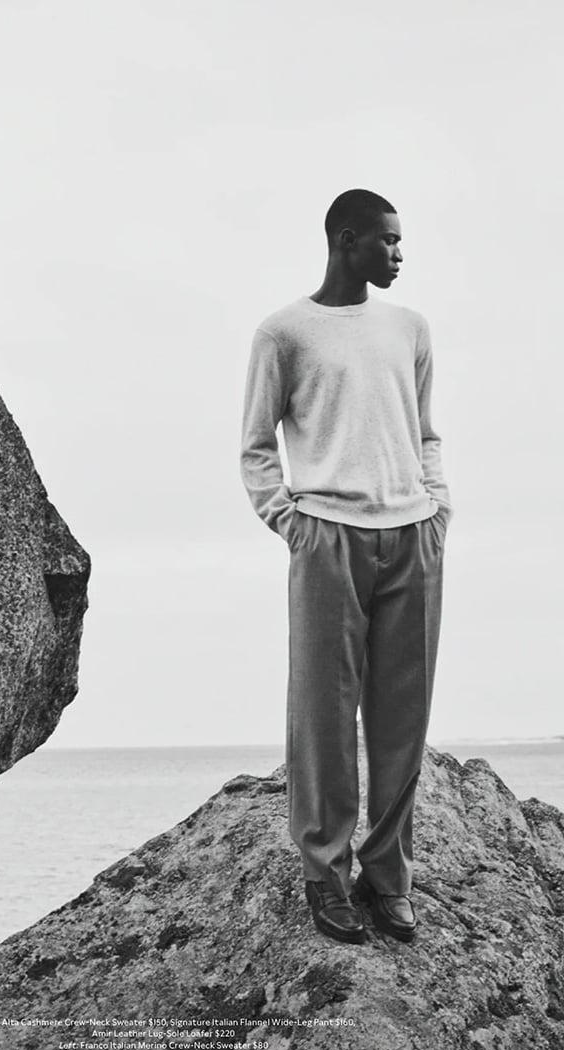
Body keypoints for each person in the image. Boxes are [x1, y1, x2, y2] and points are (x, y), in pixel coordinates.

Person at [240, 189, 452, 945]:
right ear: (347, 238)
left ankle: (387, 879)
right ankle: (324, 877)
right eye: (389, 241)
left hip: (413, 537)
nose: (399, 254)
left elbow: (425, 430)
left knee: (402, 720)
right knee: (324, 719)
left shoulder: (410, 328)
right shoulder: (284, 332)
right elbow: (256, 444)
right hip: (326, 536)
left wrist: (437, 504)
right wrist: (287, 520)